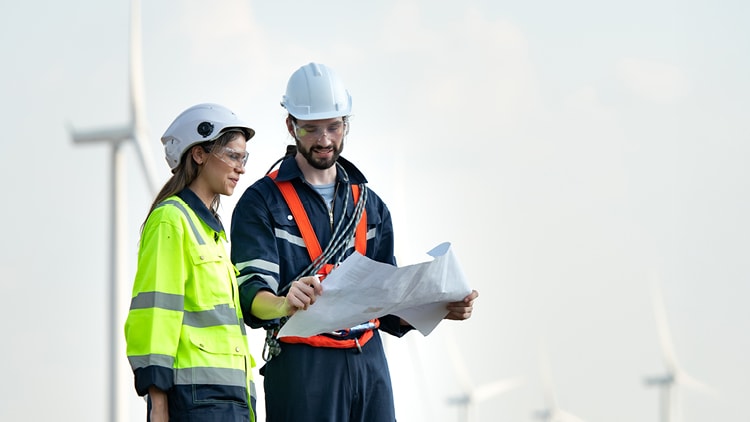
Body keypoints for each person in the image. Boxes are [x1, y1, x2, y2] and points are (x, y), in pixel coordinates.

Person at [230, 62, 479, 421]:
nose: (325, 140)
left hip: (369, 364)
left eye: (334, 127)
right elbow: (251, 295)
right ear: (290, 126)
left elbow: (388, 302)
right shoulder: (262, 202)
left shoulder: (370, 205)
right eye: (311, 129)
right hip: (303, 367)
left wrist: (441, 307)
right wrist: (285, 302)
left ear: (346, 123)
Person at [124, 103, 258, 422]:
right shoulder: (171, 219)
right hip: (198, 400)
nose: (241, 167)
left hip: (234, 401)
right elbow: (155, 313)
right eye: (232, 155)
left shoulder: (212, 233)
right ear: (199, 154)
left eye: (244, 158)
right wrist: (157, 404)